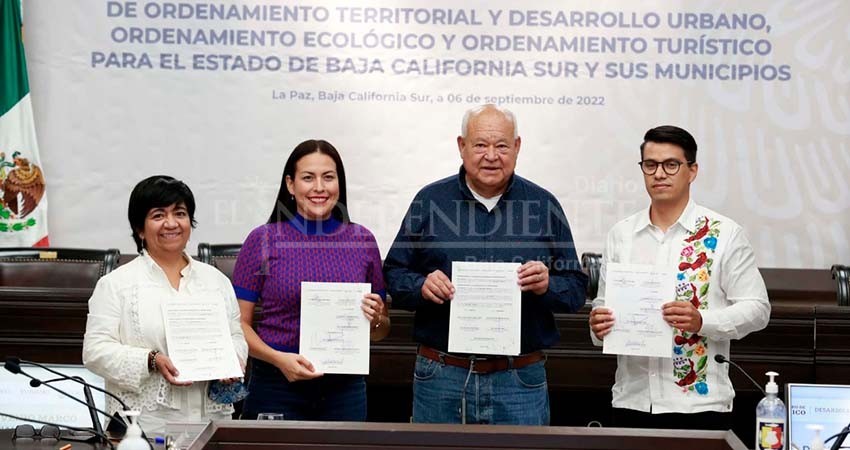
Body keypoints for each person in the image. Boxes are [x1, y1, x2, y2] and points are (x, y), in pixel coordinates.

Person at [383, 104, 588, 425]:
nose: (491, 155)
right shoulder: (430, 202)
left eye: (502, 145)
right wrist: (421, 285)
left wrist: (548, 285)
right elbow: (393, 273)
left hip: (519, 380)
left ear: (517, 147)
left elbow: (576, 289)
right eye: (480, 145)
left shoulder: (544, 205)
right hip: (442, 376)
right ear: (461, 146)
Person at [588, 125, 771, 430]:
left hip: (699, 406)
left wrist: (702, 321)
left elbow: (757, 308)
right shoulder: (622, 235)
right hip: (632, 401)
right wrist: (597, 325)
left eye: (671, 164)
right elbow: (603, 306)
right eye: (651, 165)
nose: (659, 174)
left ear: (692, 170)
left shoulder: (723, 233)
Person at [231, 139, 389, 421]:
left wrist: (377, 319)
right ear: (290, 185)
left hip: (345, 389)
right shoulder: (263, 239)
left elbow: (380, 329)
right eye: (308, 178)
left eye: (328, 177)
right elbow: (237, 324)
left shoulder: (363, 241)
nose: (319, 187)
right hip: (276, 383)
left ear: (339, 184)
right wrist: (279, 360)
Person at [83, 175, 248, 434]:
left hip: (210, 424)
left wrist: (233, 361)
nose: (171, 223)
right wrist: (151, 360)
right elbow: (94, 351)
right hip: (146, 427)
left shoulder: (216, 281)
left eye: (180, 213)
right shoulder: (116, 284)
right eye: (158, 215)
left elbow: (236, 336)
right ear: (140, 228)